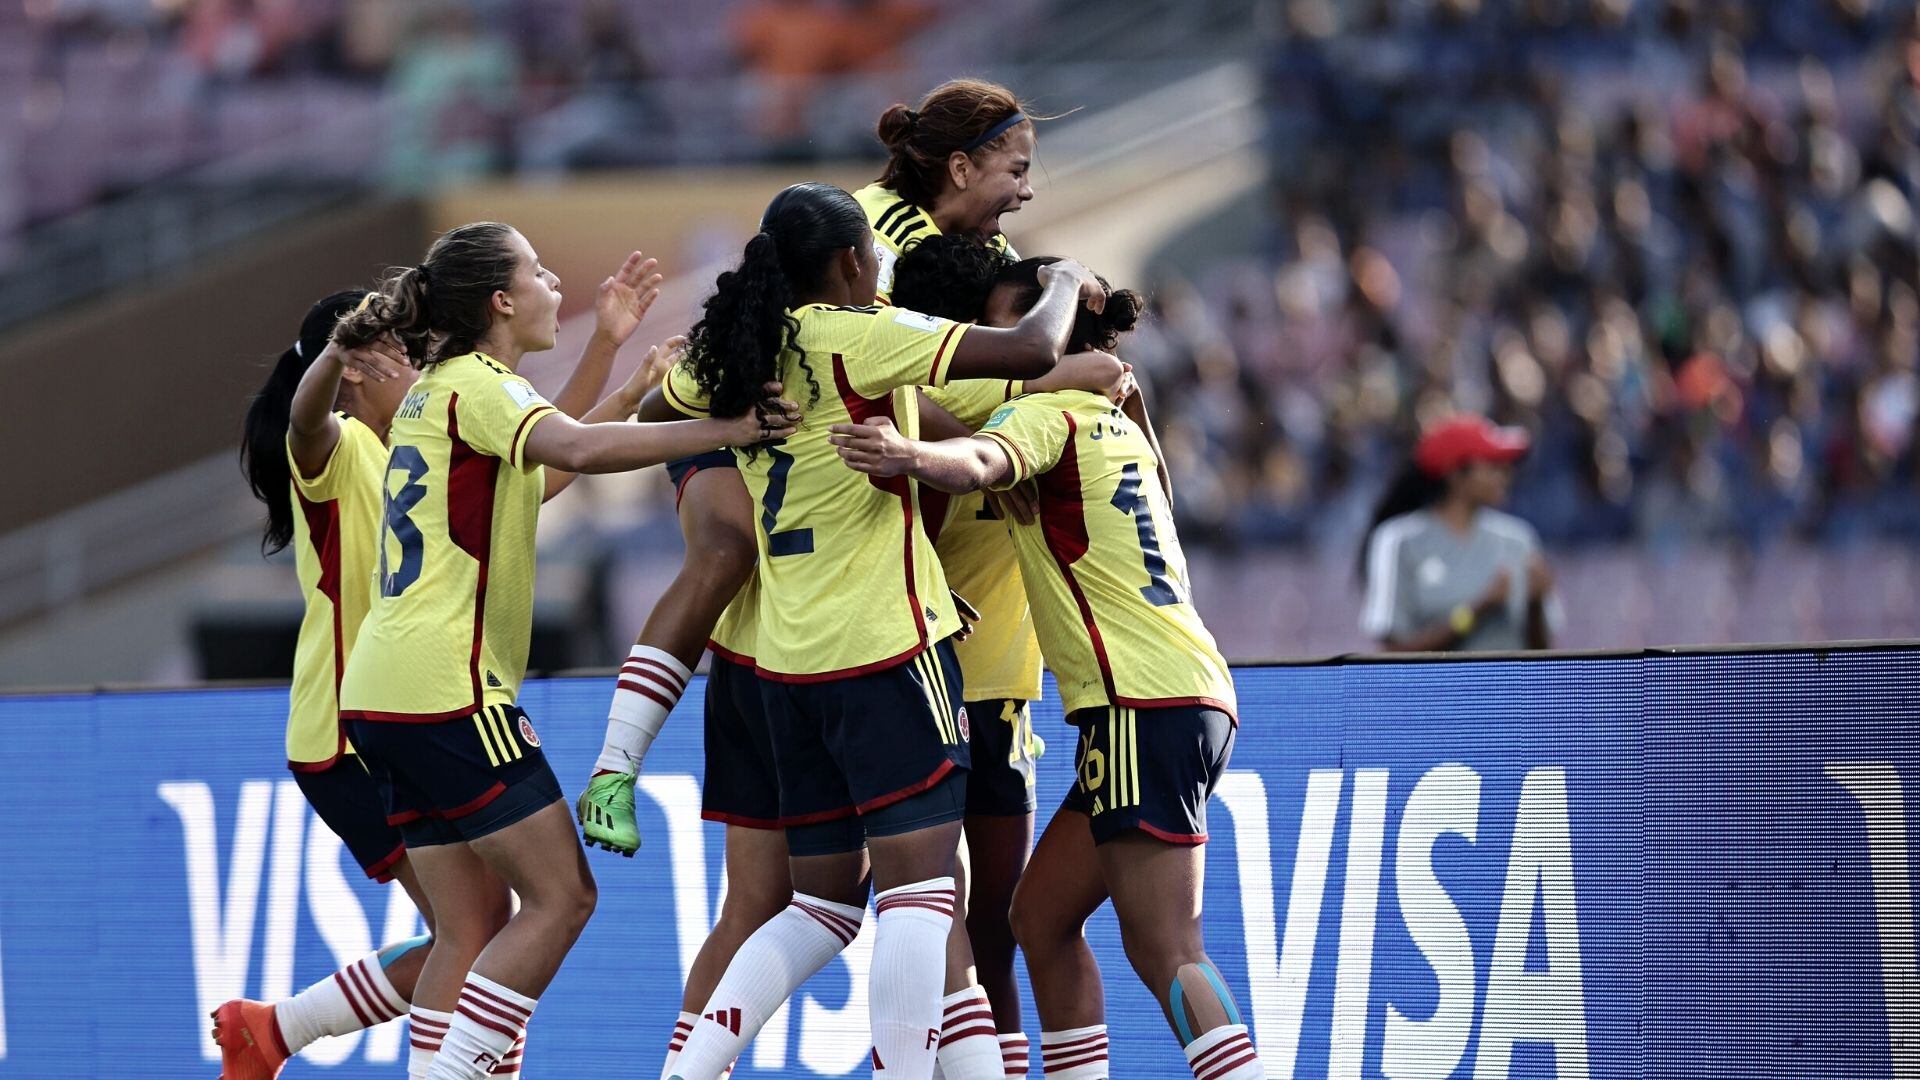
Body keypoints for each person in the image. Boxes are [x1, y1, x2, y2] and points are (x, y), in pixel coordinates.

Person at [329, 221, 796, 1080]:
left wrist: (614, 365)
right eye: (540, 272)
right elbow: (571, 446)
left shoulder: (443, 391)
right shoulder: (477, 386)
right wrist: (727, 428)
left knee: (468, 925)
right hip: (451, 691)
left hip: (381, 694)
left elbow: (544, 474)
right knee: (563, 896)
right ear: (501, 301)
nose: (556, 285)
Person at [663, 181, 1105, 1080]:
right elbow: (1026, 350)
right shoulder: (857, 335)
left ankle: (686, 1072)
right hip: (887, 650)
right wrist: (1064, 278)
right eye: (871, 257)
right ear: (849, 262)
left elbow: (660, 412)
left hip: (787, 664)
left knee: (819, 909)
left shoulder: (729, 350)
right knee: (921, 894)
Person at [828, 291, 1266, 1079]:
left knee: (1168, 946)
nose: (1004, 346)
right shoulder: (1123, 430)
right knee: (1039, 916)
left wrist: (909, 453)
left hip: (1138, 701)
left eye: (1010, 327)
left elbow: (982, 463)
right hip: (1183, 692)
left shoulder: (1047, 414)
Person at [888, 234, 1150, 1078]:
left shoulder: (939, 393)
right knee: (986, 930)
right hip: (990, 687)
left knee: (947, 923)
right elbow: (1104, 374)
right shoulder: (1016, 392)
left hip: (941, 682)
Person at [1358, 414, 1562, 652]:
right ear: (1455, 473)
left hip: (1509, 688)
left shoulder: (1519, 538)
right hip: (1438, 689)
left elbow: (1542, 650)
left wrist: (1535, 603)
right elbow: (1393, 651)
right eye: (1492, 465)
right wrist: (1477, 610)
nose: (1505, 475)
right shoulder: (1399, 540)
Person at [857, 78, 1036, 301]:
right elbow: (857, 328)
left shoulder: (989, 243)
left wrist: (1065, 277)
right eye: (1016, 173)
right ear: (961, 169)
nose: (1028, 191)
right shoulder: (872, 229)